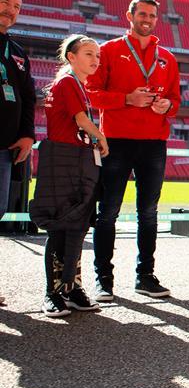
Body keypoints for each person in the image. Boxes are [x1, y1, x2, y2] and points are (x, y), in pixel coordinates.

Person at [86, 0, 181, 301]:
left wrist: (167, 105)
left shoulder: (167, 57)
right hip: (116, 141)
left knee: (149, 213)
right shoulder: (109, 50)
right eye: (142, 13)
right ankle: (103, 278)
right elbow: (91, 94)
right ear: (129, 15)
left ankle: (146, 276)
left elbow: (177, 101)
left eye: (152, 15)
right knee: (108, 212)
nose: (147, 19)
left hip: (154, 143)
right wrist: (127, 99)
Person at [29, 35, 109, 317]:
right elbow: (81, 121)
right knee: (61, 225)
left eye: (97, 55)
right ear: (70, 56)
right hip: (63, 160)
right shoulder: (67, 82)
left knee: (77, 224)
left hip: (78, 160)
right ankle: (53, 293)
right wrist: (101, 138)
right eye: (88, 54)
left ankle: (72, 289)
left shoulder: (78, 85)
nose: (95, 60)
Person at [0, 0, 35, 309]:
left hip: (4, 149)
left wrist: (27, 135)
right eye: (5, 3)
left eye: (16, 7)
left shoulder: (18, 53)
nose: (10, 10)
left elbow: (27, 98)